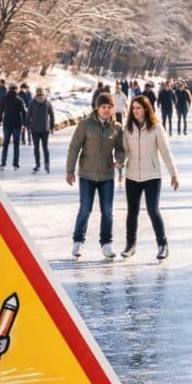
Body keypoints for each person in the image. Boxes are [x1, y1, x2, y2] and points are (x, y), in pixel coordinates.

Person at [66, 93, 124, 260]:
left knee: (107, 212)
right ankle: (78, 241)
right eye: (103, 107)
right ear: (97, 108)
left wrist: (119, 159)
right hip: (87, 174)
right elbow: (74, 147)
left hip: (106, 175)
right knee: (85, 209)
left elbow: (121, 148)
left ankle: (106, 244)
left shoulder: (117, 127)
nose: (107, 110)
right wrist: (69, 170)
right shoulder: (85, 125)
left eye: (109, 107)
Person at [121, 96, 178, 261]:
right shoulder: (128, 128)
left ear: (146, 109)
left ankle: (162, 244)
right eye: (133, 108)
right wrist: (118, 161)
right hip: (132, 176)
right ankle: (130, 245)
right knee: (132, 212)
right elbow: (125, 151)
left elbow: (166, 152)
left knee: (153, 210)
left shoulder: (156, 128)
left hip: (152, 176)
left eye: (139, 108)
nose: (135, 111)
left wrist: (173, 174)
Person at [0, 83, 27, 171]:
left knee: (5, 144)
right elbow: (24, 113)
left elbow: (0, 111)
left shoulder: (4, 99)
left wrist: (0, 120)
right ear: (16, 89)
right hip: (17, 124)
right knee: (16, 144)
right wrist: (24, 124)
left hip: (6, 123)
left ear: (9, 89)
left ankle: (3, 163)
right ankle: (16, 164)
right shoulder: (19, 100)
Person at [26, 87, 55, 173]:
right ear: (44, 93)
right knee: (45, 147)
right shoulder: (48, 103)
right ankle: (47, 163)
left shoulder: (31, 103)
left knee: (36, 148)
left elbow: (28, 115)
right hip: (45, 129)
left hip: (34, 129)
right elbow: (52, 116)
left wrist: (27, 125)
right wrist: (52, 126)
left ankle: (37, 165)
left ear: (36, 93)